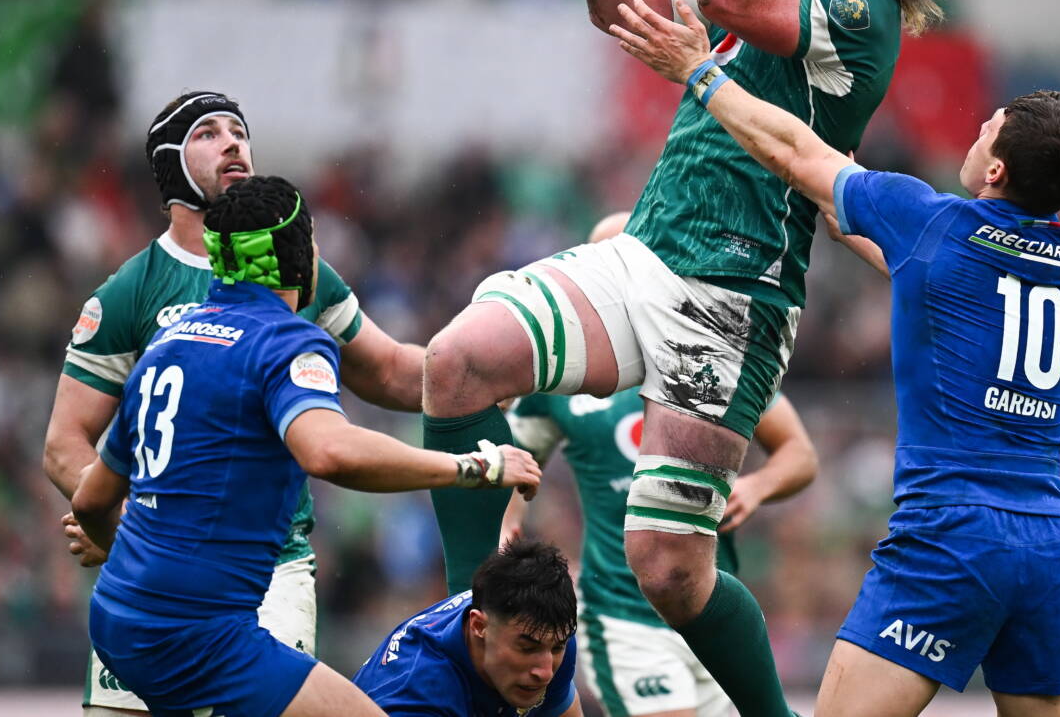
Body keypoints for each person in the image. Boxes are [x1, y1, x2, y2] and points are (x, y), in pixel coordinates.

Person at [422, 0, 968, 717]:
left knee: (669, 570)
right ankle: (465, 657)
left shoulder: (862, 13)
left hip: (733, 298)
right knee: (456, 362)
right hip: (646, 254)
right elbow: (618, 4)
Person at [612, 0, 1060, 717]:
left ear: (995, 168)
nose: (974, 133)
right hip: (1051, 543)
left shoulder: (934, 223)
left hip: (952, 534)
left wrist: (699, 72)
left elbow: (795, 155)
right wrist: (848, 201)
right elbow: (917, 265)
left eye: (985, 130)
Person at [71, 176, 540, 717]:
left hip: (117, 616)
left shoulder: (165, 344)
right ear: (297, 258)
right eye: (312, 241)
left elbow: (89, 501)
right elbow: (328, 452)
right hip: (200, 638)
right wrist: (475, 466)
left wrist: (130, 556)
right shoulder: (286, 339)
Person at [42, 90, 427, 716]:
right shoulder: (128, 291)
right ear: (169, 163)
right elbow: (64, 443)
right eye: (209, 133)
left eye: (239, 131)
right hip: (155, 578)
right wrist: (130, 530)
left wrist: (492, 363)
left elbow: (389, 371)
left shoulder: (299, 269)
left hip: (268, 568)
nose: (233, 143)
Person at [503, 212, 820, 717]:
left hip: (708, 607)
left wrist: (757, 486)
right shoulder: (564, 372)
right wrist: (507, 527)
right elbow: (514, 464)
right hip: (624, 618)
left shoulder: (711, 355)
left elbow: (800, 454)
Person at [353, 538, 582, 717]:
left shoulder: (549, 632)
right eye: (526, 649)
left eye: (557, 648)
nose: (545, 673)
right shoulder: (420, 695)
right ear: (479, 626)